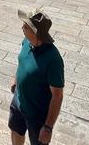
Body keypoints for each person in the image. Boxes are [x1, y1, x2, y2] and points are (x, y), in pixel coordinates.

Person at [10, 8, 65, 145]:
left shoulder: (53, 60)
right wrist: (16, 79)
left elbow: (57, 96)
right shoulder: (27, 42)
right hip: (18, 101)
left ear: (35, 32)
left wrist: (48, 127)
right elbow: (22, 61)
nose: (22, 27)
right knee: (16, 131)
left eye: (26, 26)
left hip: (37, 114)